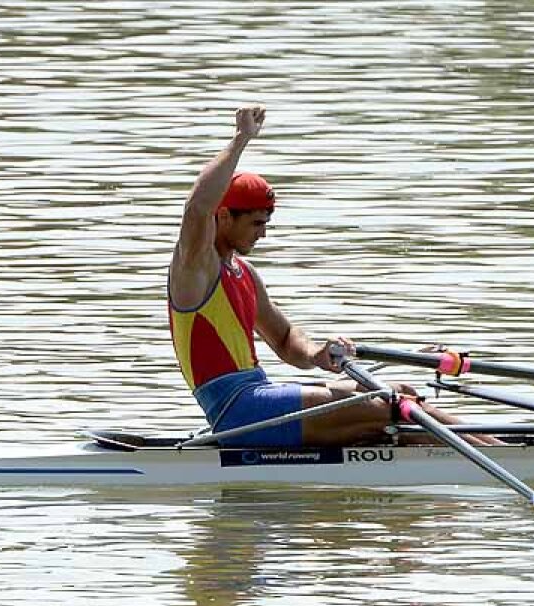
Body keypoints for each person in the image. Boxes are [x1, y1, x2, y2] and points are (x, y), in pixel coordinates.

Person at [169, 105, 504, 448]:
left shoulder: (245, 274)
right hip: (238, 410)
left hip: (262, 396)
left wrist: (318, 353)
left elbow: (286, 341)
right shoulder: (195, 268)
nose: (263, 235)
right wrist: (241, 139)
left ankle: (488, 456)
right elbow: (196, 207)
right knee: (389, 404)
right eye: (256, 224)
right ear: (224, 216)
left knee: (399, 397)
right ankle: (507, 455)